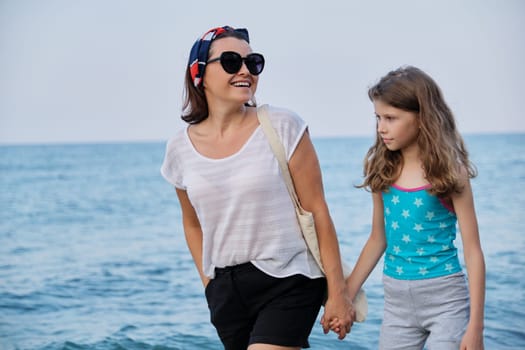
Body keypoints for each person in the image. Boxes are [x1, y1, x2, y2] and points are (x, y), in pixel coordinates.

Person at [160, 25, 354, 350]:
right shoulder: (179, 148)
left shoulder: (283, 125)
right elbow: (191, 222)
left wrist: (338, 293)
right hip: (226, 292)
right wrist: (208, 282)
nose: (246, 71)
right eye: (232, 61)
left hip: (289, 277)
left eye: (254, 63)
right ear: (200, 74)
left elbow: (317, 210)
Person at [330, 66, 486, 349]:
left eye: (390, 118)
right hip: (397, 305)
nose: (381, 127)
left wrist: (475, 327)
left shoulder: (451, 173)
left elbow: (472, 250)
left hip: (446, 302)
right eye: (378, 117)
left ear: (421, 118)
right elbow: (378, 238)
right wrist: (345, 297)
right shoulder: (382, 170)